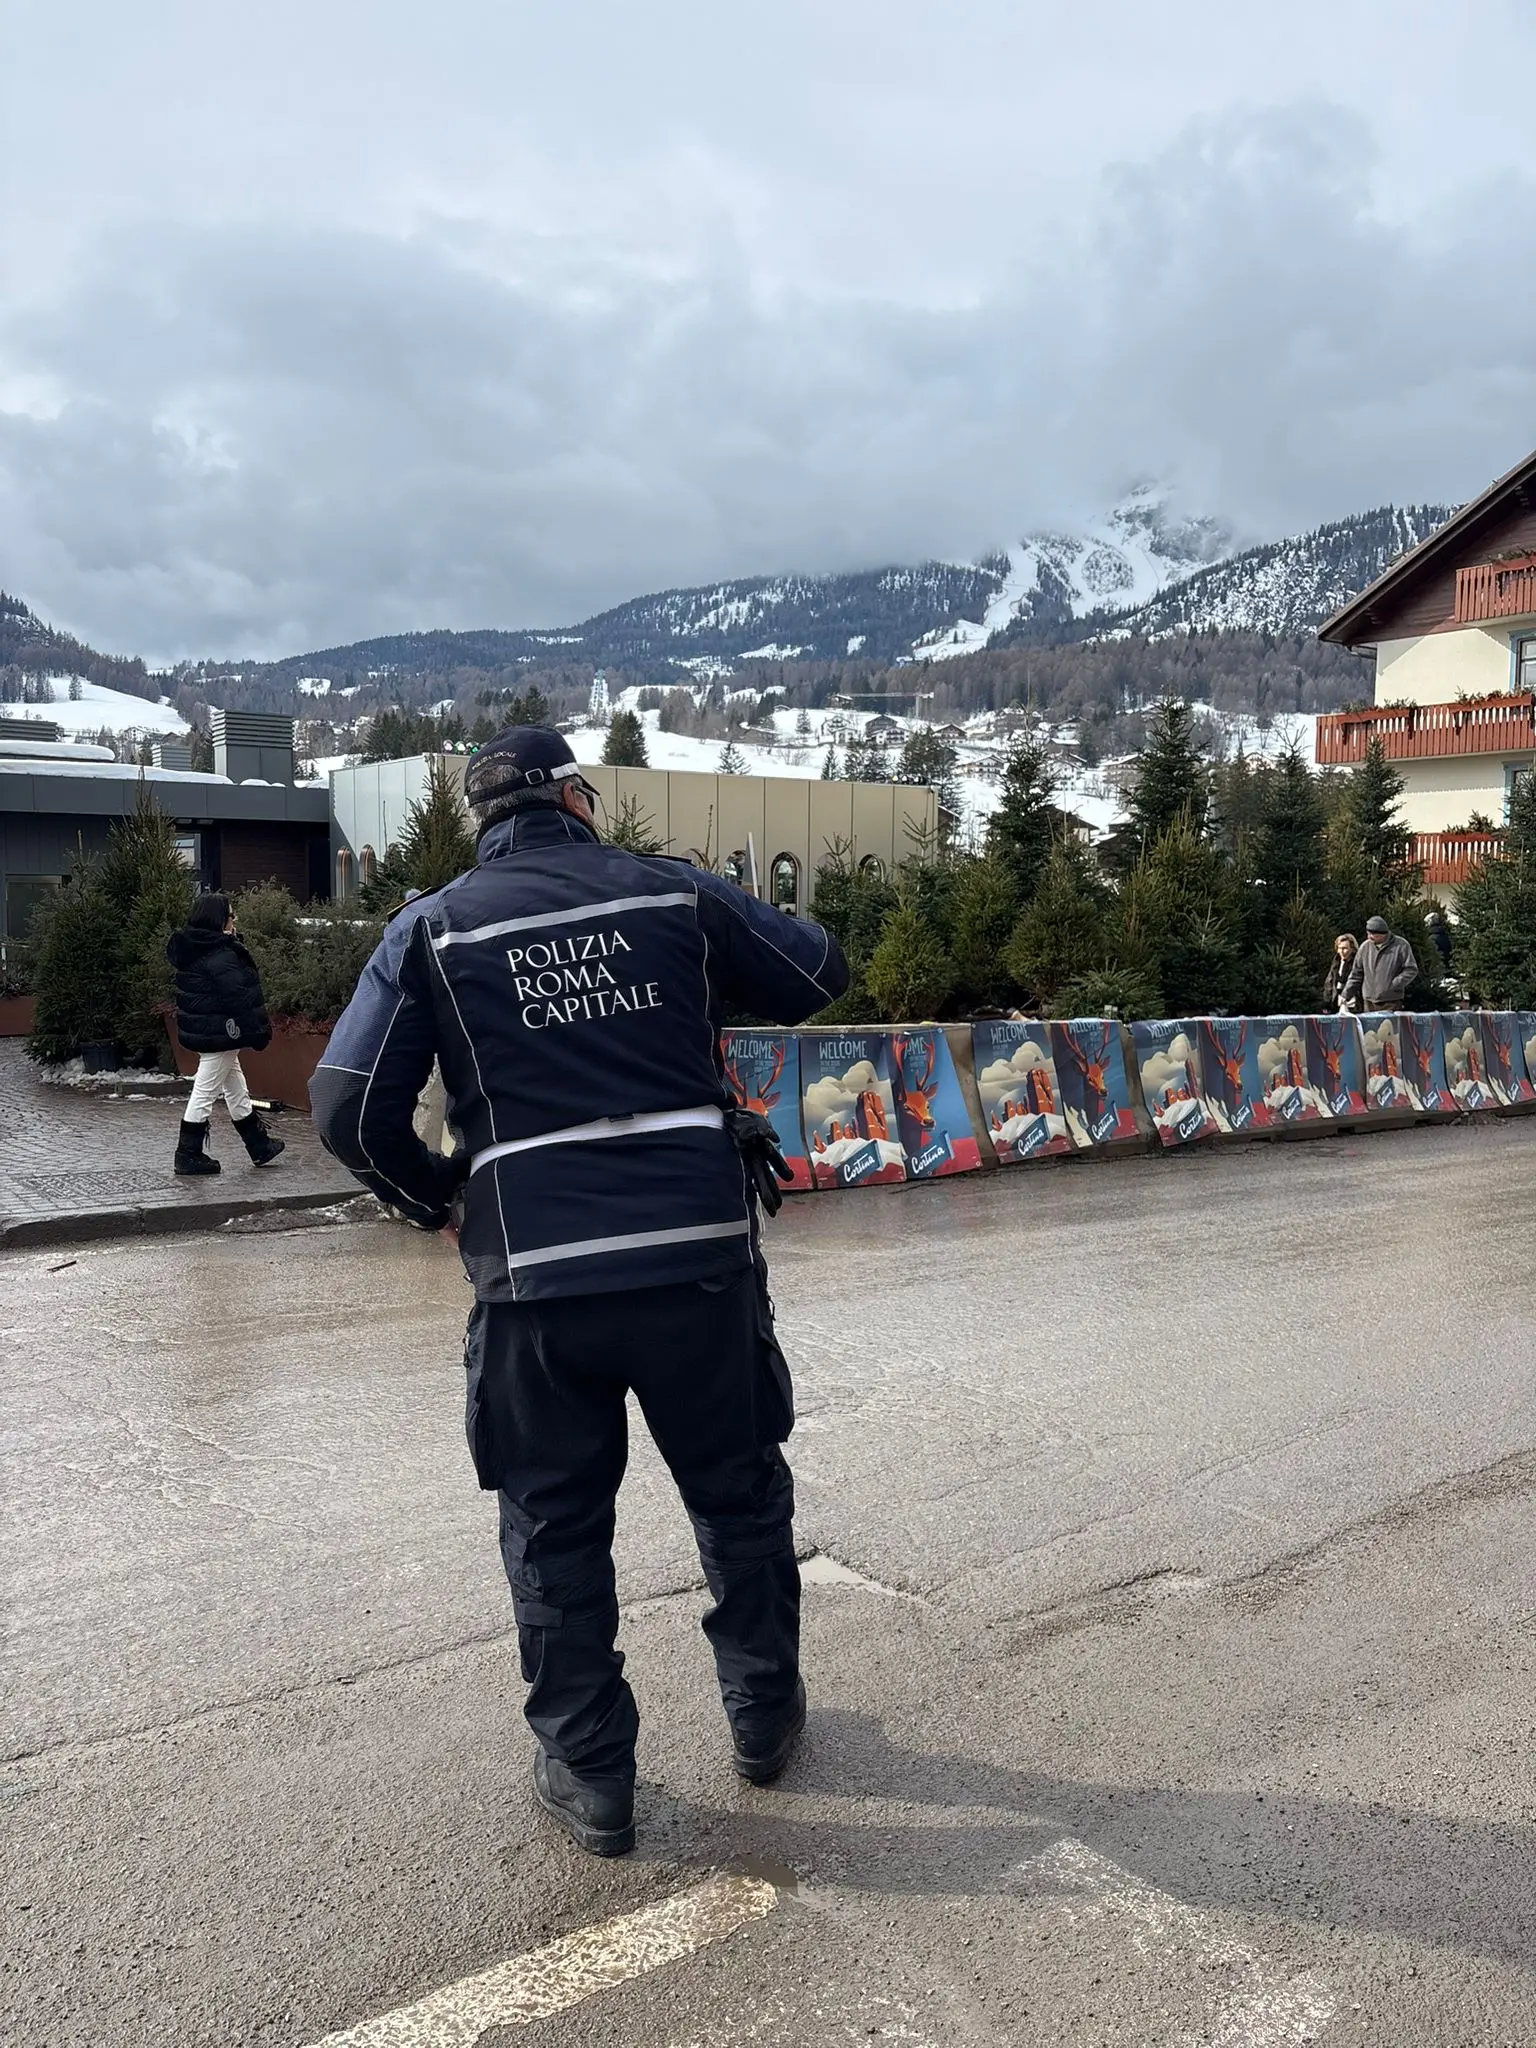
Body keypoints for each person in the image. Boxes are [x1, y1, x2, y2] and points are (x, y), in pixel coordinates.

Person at [311, 727, 849, 1858]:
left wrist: (442, 1193)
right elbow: (815, 968)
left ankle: (593, 1772)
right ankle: (763, 1714)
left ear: (482, 820)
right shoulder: (674, 895)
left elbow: (347, 1105)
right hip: (694, 1258)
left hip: (534, 1279)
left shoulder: (432, 927)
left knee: (552, 1523)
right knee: (738, 1493)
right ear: (575, 797)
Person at [166, 891, 285, 1175]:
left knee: (235, 1086)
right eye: (231, 915)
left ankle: (259, 1145)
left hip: (212, 1031)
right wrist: (257, 1031)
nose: (235, 920)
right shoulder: (220, 954)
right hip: (221, 1032)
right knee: (205, 1091)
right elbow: (239, 997)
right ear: (219, 920)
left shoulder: (196, 948)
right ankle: (188, 1153)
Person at [1343, 914, 1418, 1013]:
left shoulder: (1401, 945)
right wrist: (1346, 995)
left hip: (1391, 1000)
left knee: (1388, 1028)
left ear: (1383, 934)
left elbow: (1411, 969)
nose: (1369, 937)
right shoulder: (1365, 947)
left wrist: (1395, 984)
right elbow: (1356, 973)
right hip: (1368, 1000)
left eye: (1373, 935)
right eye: (1368, 933)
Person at [1322, 933, 1360, 1014]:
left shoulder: (1357, 962)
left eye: (1345, 948)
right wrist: (1327, 1003)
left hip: (1353, 1002)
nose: (1341, 951)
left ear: (1352, 949)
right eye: (1339, 948)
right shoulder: (1336, 962)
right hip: (1336, 1001)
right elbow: (1329, 982)